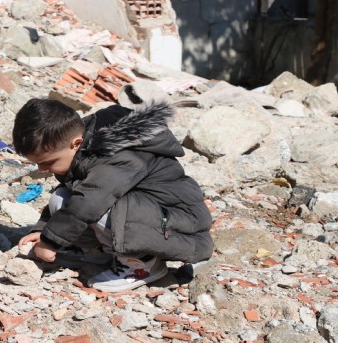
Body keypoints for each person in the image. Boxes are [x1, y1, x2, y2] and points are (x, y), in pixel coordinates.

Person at [13, 94, 213, 292]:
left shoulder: (117, 154)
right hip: (147, 214)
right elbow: (76, 195)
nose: (41, 169)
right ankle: (101, 254)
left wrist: (50, 242)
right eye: (37, 163)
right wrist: (43, 229)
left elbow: (89, 202)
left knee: (94, 204)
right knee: (62, 197)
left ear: (75, 143)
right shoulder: (82, 148)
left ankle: (143, 264)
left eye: (47, 162)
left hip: (178, 224)